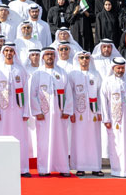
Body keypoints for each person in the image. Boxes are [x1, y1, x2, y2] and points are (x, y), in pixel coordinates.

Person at [29, 46, 73, 177]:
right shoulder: (37, 74)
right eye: (47, 54)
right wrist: (37, 111)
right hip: (44, 114)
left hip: (60, 114)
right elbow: (33, 94)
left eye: (51, 54)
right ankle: (44, 169)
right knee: (44, 141)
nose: (49, 57)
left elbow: (68, 92)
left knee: (61, 141)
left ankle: (63, 168)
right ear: (43, 57)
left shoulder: (62, 72)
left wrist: (67, 109)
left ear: (55, 56)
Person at [0, 42, 30, 176]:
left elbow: (26, 92)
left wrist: (26, 111)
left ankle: (22, 168)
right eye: (6, 51)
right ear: (3, 52)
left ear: (14, 53)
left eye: (11, 51)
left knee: (20, 139)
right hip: (2, 112)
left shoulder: (21, 70)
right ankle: (1, 168)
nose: (8, 53)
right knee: (2, 138)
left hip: (18, 112)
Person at [68, 50, 104, 176]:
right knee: (79, 139)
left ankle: (95, 166)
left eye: (86, 58)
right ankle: (80, 166)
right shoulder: (73, 74)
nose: (84, 60)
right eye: (82, 58)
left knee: (94, 139)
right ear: (78, 59)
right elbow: (69, 94)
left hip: (93, 113)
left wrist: (100, 111)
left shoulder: (96, 74)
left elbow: (100, 95)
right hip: (78, 113)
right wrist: (70, 111)